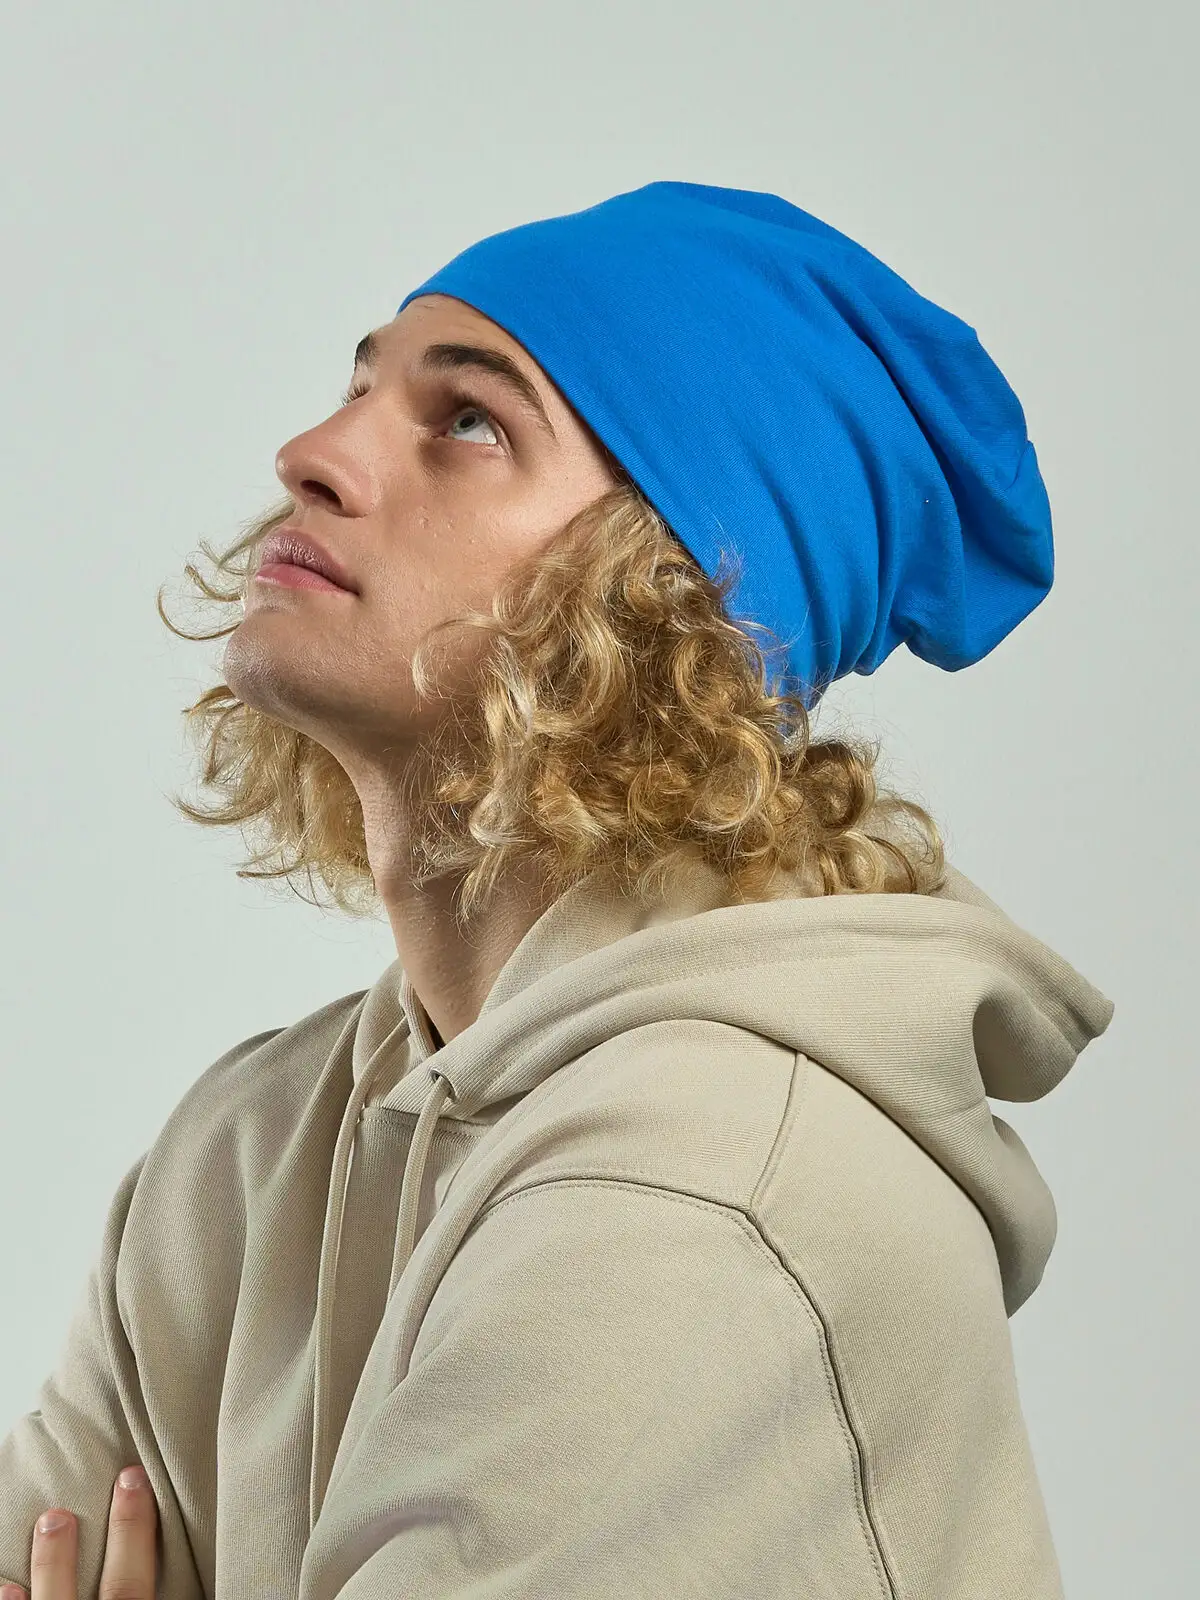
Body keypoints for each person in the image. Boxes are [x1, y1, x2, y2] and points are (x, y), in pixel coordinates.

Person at [0, 181, 1114, 1598]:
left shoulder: (702, 1207)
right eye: (359, 388)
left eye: (470, 422)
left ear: (670, 598)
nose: (311, 455)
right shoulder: (249, 1151)